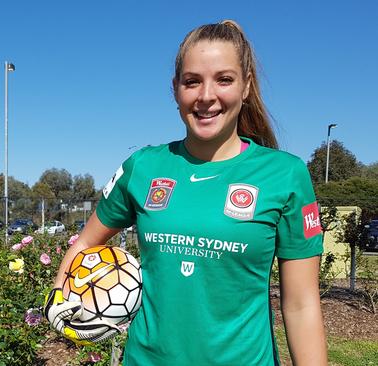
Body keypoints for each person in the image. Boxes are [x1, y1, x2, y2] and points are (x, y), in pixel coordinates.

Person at [44, 20, 327, 365]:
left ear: (246, 87)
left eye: (224, 79)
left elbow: (301, 304)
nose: (206, 96)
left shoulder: (285, 174)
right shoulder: (143, 166)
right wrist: (61, 295)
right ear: (175, 88)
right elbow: (87, 243)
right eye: (192, 81)